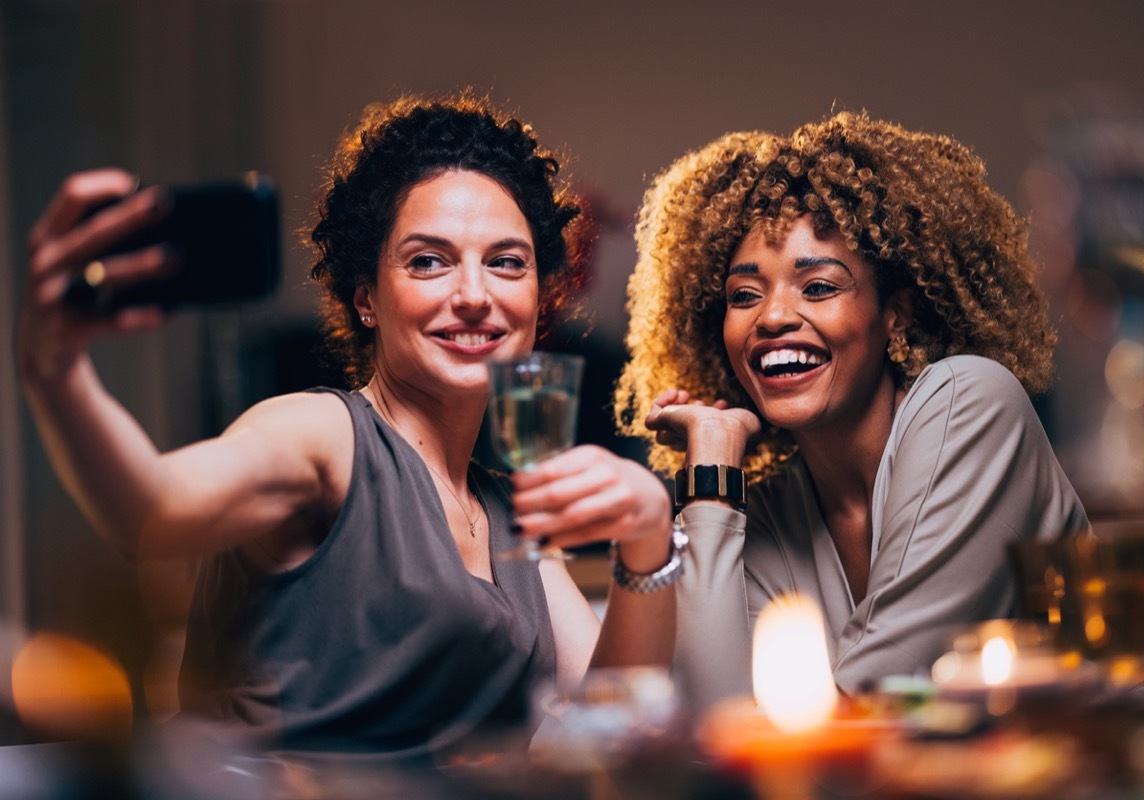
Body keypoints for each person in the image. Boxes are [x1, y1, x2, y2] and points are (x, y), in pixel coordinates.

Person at [16, 92, 676, 765]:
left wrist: (649, 540)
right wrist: (56, 370)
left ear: (539, 303)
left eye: (506, 262)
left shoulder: (508, 514)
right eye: (428, 261)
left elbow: (613, 726)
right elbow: (150, 510)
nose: (475, 295)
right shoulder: (324, 437)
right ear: (367, 298)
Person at [614, 112, 1090, 708]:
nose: (772, 317)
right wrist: (711, 474)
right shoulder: (761, 506)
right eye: (743, 296)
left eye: (817, 287)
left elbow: (873, 702)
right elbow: (725, 724)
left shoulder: (970, 403)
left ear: (898, 313)